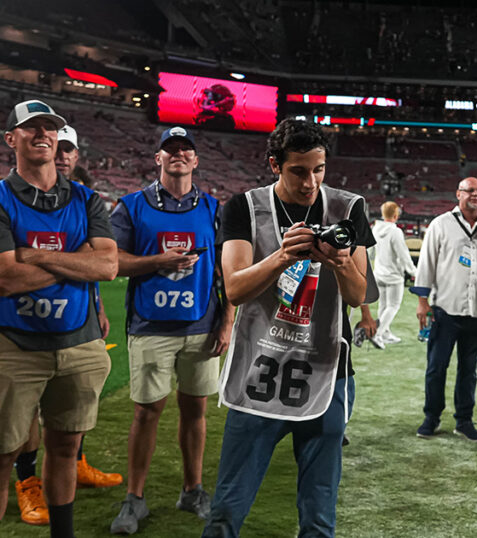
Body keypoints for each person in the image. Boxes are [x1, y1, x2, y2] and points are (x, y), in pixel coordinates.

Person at [202, 118, 374, 537]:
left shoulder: (349, 208)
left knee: (319, 512)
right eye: (298, 170)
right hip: (260, 365)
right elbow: (236, 289)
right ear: (274, 165)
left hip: (325, 367)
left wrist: (338, 260)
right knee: (227, 505)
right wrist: (281, 256)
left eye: (319, 169)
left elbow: (358, 294)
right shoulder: (244, 206)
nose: (310, 182)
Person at [108, 126, 235, 534]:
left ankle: (192, 489)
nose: (178, 154)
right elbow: (109, 262)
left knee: (195, 410)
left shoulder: (215, 208)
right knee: (147, 412)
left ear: (196, 160)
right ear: (157, 158)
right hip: (149, 326)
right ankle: (135, 498)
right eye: (170, 150)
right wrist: (156, 261)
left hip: (201, 324)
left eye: (186, 150)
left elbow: (226, 270)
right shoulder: (131, 206)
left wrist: (228, 320)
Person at [0, 99, 118, 535]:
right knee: (2, 455)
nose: (41, 135)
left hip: (78, 342)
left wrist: (30, 254)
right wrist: (75, 258)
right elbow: (5, 279)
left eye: (49, 128)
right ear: (11, 139)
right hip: (13, 343)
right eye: (30, 128)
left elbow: (107, 267)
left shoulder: (87, 199)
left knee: (66, 447)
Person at [414, 176, 477, 442]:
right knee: (436, 367)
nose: (475, 195)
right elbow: (426, 263)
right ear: (458, 194)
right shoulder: (441, 224)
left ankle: (464, 421)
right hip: (445, 308)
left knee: (469, 370)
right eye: (470, 190)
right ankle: (431, 417)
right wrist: (423, 301)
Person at [370, 201, 416, 347]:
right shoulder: (395, 231)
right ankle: (377, 334)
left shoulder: (375, 229)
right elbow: (403, 255)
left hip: (379, 273)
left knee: (383, 306)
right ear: (396, 215)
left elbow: (370, 252)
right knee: (393, 306)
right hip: (394, 276)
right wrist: (413, 271)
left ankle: (385, 333)